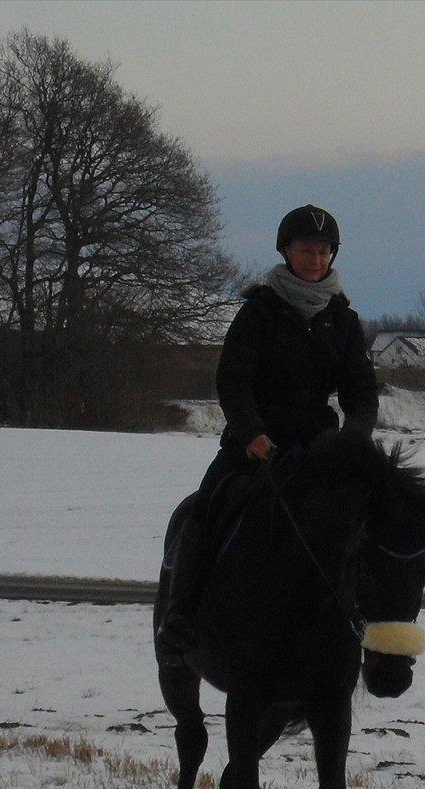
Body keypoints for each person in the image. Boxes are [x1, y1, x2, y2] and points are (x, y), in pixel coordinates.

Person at [156, 204, 379, 663]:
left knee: (366, 521)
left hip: (317, 449)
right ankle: (179, 617)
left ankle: (366, 624)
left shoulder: (344, 321)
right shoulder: (259, 312)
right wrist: (251, 432)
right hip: (255, 447)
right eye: (305, 251)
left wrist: (355, 436)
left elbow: (361, 390)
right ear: (286, 251)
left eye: (323, 252)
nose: (315, 260)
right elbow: (233, 381)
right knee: (204, 507)